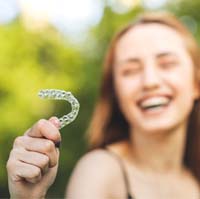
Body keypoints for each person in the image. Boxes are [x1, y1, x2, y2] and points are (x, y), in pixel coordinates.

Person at [7, 11, 200, 199]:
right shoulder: (99, 172)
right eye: (130, 70)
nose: (150, 81)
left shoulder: (194, 175)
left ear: (196, 83)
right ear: (116, 92)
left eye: (167, 64)